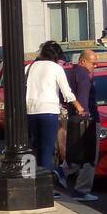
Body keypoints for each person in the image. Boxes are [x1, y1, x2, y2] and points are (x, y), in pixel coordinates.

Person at [25, 41, 85, 198]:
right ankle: (46, 187)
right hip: (48, 111)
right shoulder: (56, 68)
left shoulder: (29, 67)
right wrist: (78, 106)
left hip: (30, 110)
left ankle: (31, 181)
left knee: (34, 148)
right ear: (56, 56)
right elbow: (67, 92)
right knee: (47, 149)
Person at [62, 48, 100, 202]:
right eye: (93, 63)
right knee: (90, 155)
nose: (95, 66)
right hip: (87, 120)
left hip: (73, 119)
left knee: (75, 153)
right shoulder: (84, 76)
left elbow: (65, 96)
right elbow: (83, 101)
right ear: (83, 61)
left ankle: (59, 173)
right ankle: (81, 190)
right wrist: (85, 115)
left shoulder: (70, 74)